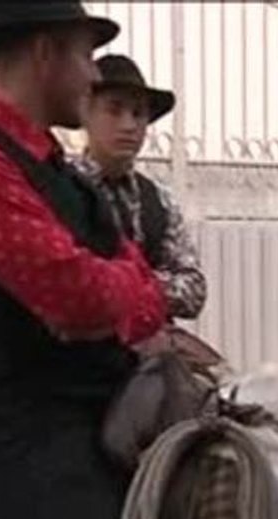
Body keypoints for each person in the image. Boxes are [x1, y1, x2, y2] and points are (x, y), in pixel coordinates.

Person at [0, 3, 167, 519]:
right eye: (84, 55)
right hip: (20, 431)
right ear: (44, 54)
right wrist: (114, 297)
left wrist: (114, 296)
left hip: (90, 408)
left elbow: (141, 290)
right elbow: (75, 297)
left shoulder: (51, 167)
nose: (92, 74)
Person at [75, 53, 206, 323]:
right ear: (86, 113)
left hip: (148, 348)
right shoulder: (59, 183)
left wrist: (127, 283)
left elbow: (194, 290)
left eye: (138, 113)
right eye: (114, 110)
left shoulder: (158, 200)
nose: (129, 125)